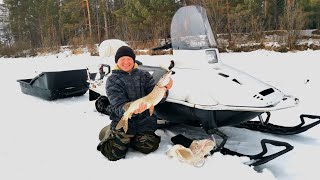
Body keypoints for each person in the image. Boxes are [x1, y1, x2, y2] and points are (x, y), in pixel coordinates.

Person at [97, 46, 173, 161]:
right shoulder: (112, 80)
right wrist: (131, 111)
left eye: (129, 59)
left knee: (149, 146)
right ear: (117, 61)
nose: (126, 62)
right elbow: (117, 106)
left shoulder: (144, 75)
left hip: (144, 122)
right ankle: (109, 132)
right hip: (123, 120)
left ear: (134, 60)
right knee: (114, 154)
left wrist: (165, 90)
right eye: (122, 59)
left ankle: (131, 139)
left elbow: (158, 99)